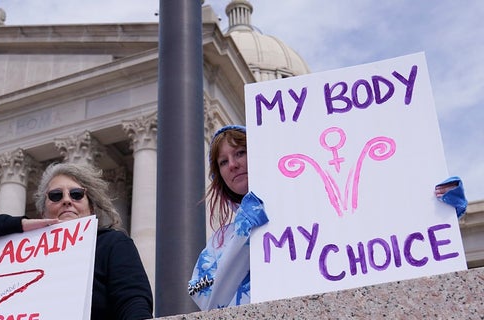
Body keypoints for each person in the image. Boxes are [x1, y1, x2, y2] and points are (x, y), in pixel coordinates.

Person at [187, 124, 467, 311]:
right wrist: (242, 236)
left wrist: (437, 206)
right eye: (223, 161)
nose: (233, 164)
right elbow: (208, 300)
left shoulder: (314, 204)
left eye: (240, 153)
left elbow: (375, 229)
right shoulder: (218, 243)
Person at [0, 162, 153, 320]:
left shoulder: (110, 243)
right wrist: (19, 225)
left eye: (76, 194)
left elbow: (132, 300)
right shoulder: (25, 248)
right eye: (56, 196)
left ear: (91, 208)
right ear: (43, 210)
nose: (67, 200)